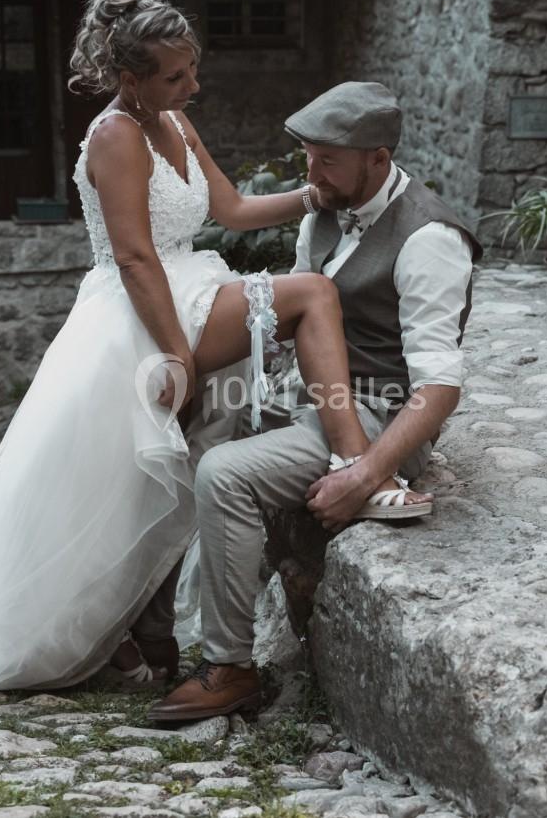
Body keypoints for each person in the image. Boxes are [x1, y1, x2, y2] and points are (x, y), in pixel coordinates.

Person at [0, 0, 432, 699]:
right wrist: (174, 355)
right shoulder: (115, 135)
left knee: (159, 489)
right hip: (144, 312)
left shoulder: (172, 118)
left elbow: (228, 208)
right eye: (175, 76)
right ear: (129, 78)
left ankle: (149, 637)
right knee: (311, 296)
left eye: (192, 69)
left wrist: (313, 198)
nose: (192, 85)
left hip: (189, 286)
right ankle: (361, 461)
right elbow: (135, 258)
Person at [148, 81, 483, 721]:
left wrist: (367, 471)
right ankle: (144, 634)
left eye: (327, 159)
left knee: (224, 474)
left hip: (372, 410)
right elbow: (293, 323)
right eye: (307, 155)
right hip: (301, 393)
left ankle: (231, 668)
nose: (311, 173)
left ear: (378, 159)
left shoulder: (430, 238)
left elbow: (439, 385)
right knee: (167, 437)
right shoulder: (324, 211)